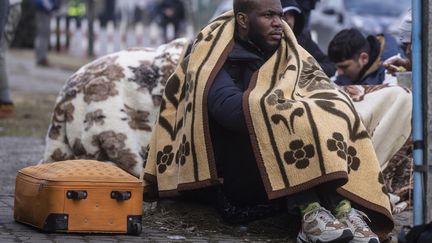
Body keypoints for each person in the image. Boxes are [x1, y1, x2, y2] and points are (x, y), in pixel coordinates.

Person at [144, 0, 392, 242]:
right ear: (243, 20)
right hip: (232, 172)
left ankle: (342, 209)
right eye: (268, 16)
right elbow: (228, 110)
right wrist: (284, 108)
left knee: (330, 113)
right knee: (289, 122)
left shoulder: (289, 51)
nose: (279, 24)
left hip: (264, 166)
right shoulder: (214, 57)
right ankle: (310, 214)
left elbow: (318, 84)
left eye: (281, 16)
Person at [327, 28, 406, 86]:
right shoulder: (343, 73)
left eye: (345, 66)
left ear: (364, 58)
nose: (339, 72)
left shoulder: (394, 70)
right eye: (337, 67)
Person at [281, 0, 335, 77]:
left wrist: (306, 69)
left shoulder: (302, 39)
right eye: (282, 15)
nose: (288, 20)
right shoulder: (263, 45)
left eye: (291, 14)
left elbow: (330, 65)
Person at [33, 0, 59, 66]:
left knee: (42, 34)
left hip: (43, 9)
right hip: (43, 9)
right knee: (43, 34)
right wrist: (49, 6)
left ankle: (40, 56)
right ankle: (41, 58)